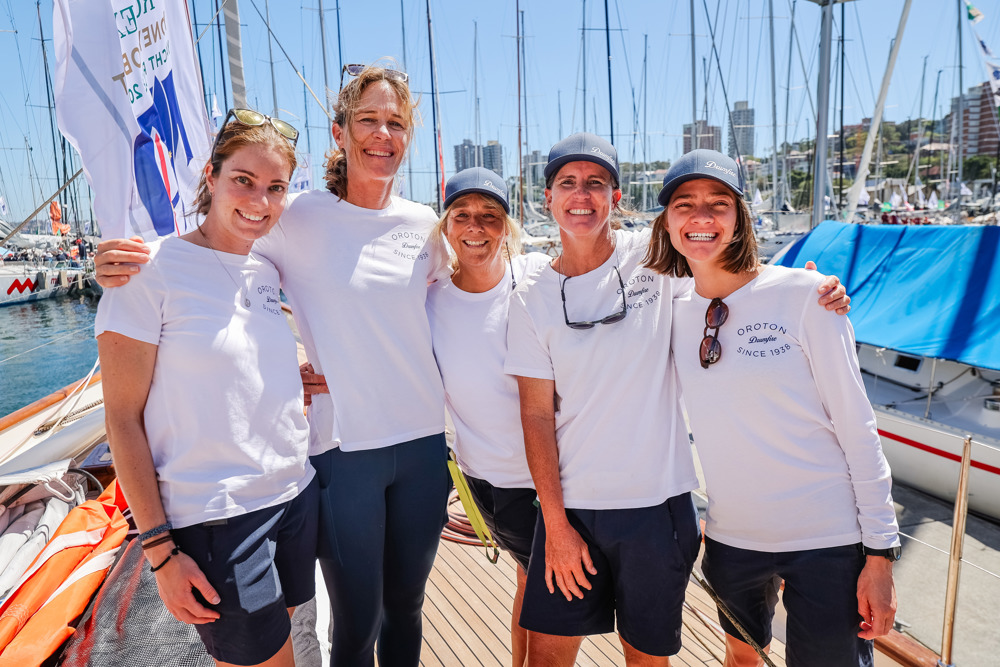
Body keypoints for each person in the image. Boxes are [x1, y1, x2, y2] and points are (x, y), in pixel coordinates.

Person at [94, 64, 449, 667]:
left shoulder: (426, 225)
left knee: (407, 609)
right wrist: (115, 262)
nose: (381, 134)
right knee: (357, 621)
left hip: (419, 445)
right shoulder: (297, 215)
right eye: (367, 119)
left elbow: (462, 306)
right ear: (339, 132)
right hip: (342, 450)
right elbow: (213, 246)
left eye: (396, 123)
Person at [505, 133, 850, 666]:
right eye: (567, 184)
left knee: (647, 659)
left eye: (596, 183)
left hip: (658, 510)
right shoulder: (531, 298)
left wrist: (801, 290)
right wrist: (555, 523)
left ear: (616, 198)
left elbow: (730, 275)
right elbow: (534, 414)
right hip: (571, 509)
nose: (582, 195)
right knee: (545, 659)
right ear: (546, 197)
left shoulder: (655, 257)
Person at [645, 149, 899, 667]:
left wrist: (880, 554)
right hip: (732, 539)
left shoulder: (808, 296)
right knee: (741, 660)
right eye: (685, 204)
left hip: (827, 540)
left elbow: (858, 428)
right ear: (666, 222)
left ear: (739, 218)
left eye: (719, 203)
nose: (702, 217)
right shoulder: (667, 311)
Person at [96, 109, 317, 667]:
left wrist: (292, 377)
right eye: (243, 180)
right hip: (219, 516)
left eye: (275, 188)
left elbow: (234, 363)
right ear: (211, 178)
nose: (258, 200)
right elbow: (122, 420)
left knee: (283, 642)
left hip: (294, 494)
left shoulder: (263, 270)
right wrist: (160, 553)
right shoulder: (148, 271)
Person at [426, 167, 550, 665]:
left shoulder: (539, 276)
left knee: (534, 584)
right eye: (463, 216)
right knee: (545, 592)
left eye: (489, 216)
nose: (475, 227)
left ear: (508, 225)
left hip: (564, 472)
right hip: (496, 483)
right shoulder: (429, 301)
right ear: (447, 226)